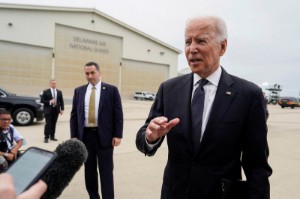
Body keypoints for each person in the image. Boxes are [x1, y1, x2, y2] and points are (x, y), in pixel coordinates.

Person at [136, 16, 272, 199]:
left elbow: (257, 167)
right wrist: (150, 137)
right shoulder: (168, 89)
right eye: (187, 42)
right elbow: (144, 136)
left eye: (201, 41)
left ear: (222, 47)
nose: (192, 49)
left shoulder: (248, 95)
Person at [70, 62, 123, 199]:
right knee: (89, 171)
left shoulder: (111, 90)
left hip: (104, 136)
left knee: (106, 171)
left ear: (99, 73)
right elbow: (74, 115)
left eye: (92, 73)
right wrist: (74, 135)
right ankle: (93, 197)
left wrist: (118, 135)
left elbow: (118, 114)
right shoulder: (79, 91)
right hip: (85, 137)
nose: (89, 76)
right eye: (87, 73)